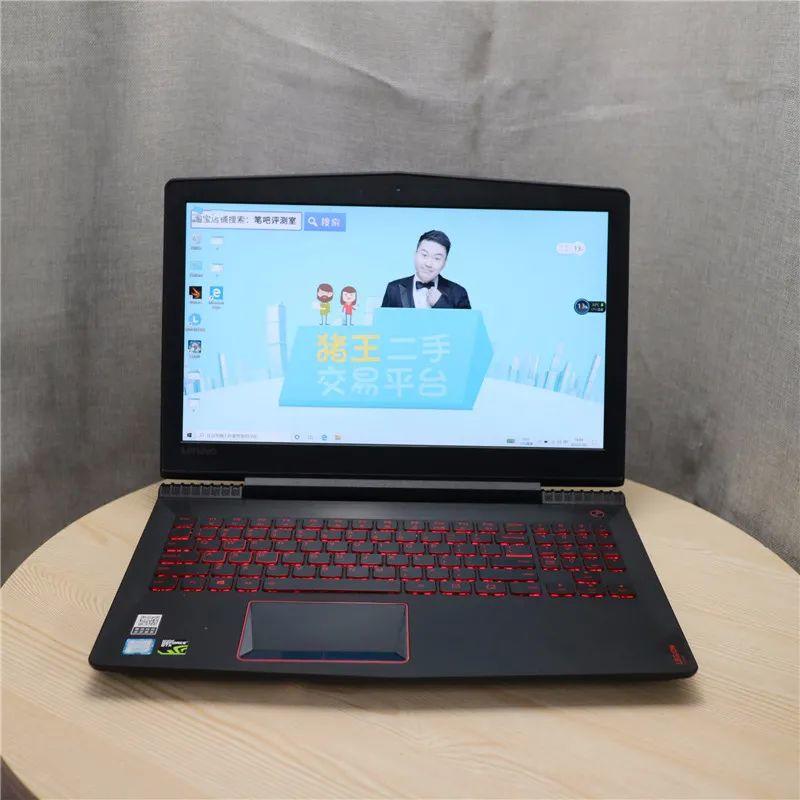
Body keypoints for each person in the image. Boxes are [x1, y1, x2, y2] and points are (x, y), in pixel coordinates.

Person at [381, 230, 471, 309]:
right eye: (424, 255)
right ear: (415, 254)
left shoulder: (458, 293)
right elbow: (383, 322)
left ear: (444, 263)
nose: (428, 264)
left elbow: (467, 323)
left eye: (437, 258)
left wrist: (440, 304)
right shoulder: (394, 289)